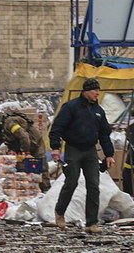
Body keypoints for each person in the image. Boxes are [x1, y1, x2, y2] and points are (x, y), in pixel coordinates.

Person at [48, 78, 114, 233]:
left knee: (93, 185)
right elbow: (57, 127)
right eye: (94, 90)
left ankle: (91, 223)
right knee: (71, 182)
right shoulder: (71, 107)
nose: (97, 93)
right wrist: (56, 148)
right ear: (85, 91)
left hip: (90, 151)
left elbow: (104, 134)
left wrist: (109, 154)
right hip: (73, 149)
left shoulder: (99, 111)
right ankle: (60, 212)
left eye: (98, 90)